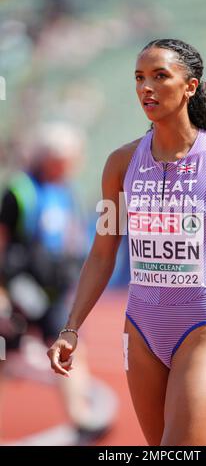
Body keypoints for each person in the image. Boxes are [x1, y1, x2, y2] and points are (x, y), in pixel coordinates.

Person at [47, 38, 206, 446]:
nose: (146, 88)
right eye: (139, 78)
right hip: (141, 329)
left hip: (204, 326)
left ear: (190, 86)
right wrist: (70, 328)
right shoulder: (121, 163)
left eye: (160, 76)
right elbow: (102, 251)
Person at [0, 122, 116, 444]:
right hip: (18, 290)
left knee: (69, 349)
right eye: (69, 158)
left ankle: (80, 418)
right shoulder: (19, 190)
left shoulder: (66, 191)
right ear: (51, 157)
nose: (74, 164)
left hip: (53, 294)